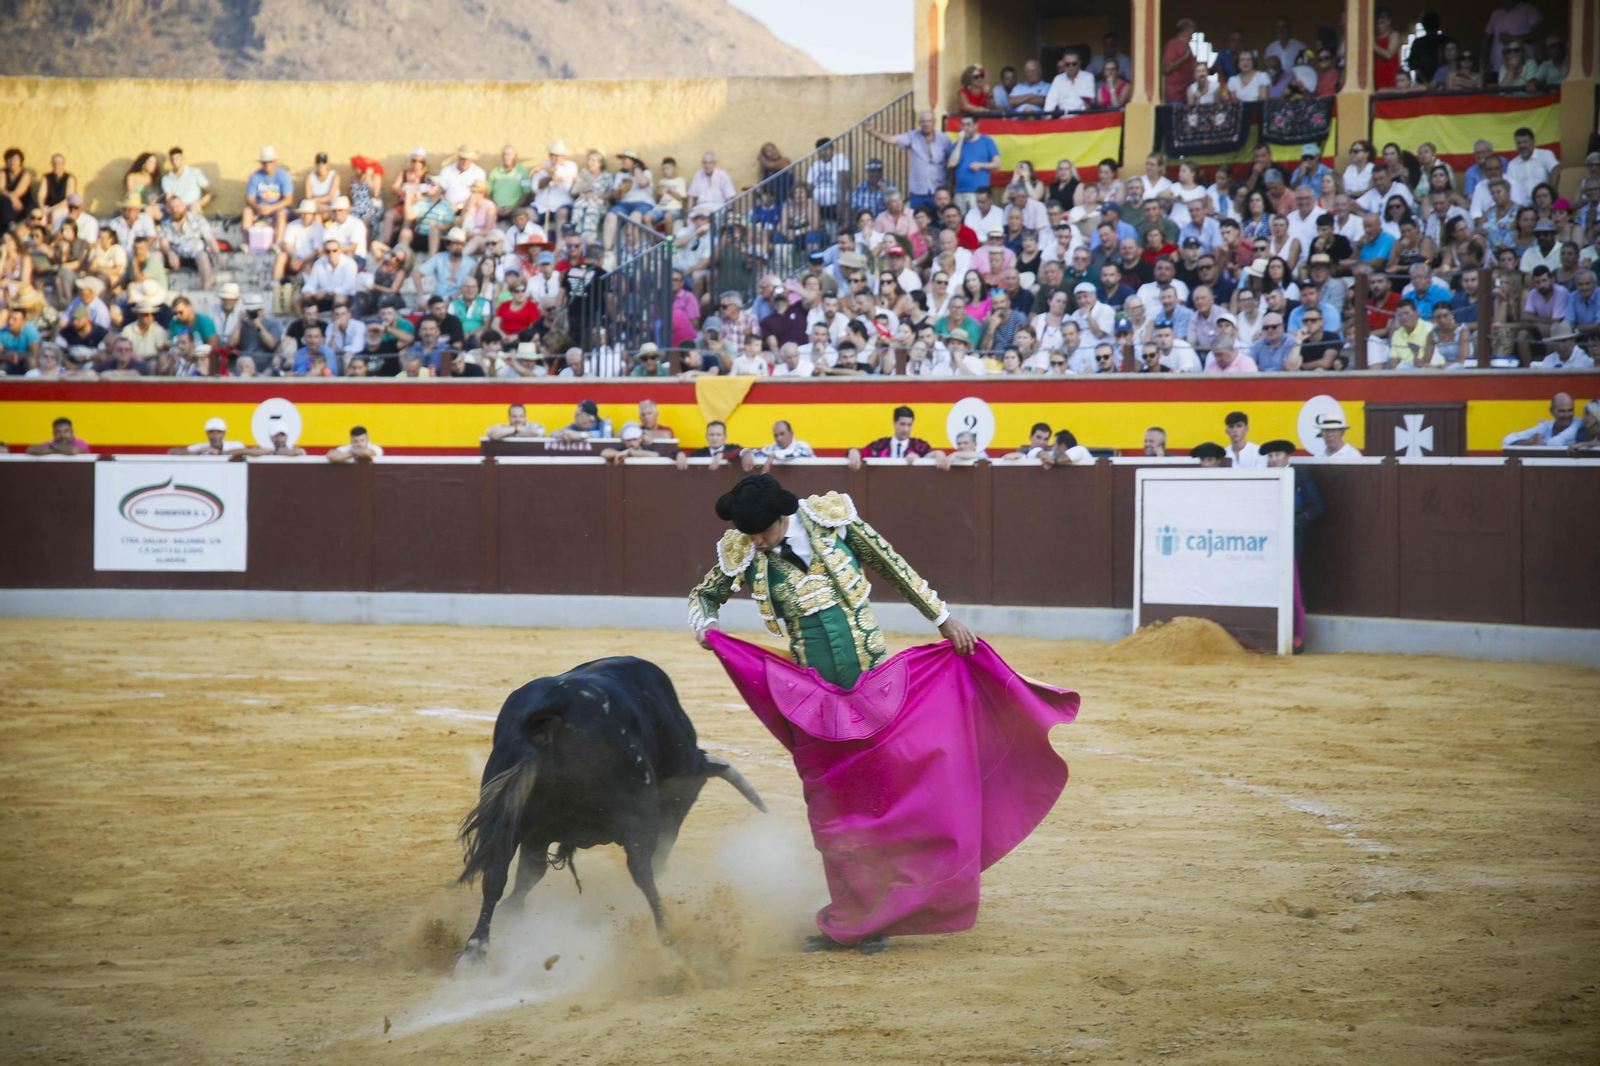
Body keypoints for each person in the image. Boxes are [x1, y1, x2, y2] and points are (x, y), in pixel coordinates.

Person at [688, 474, 1076, 955]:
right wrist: (706, 625)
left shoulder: (833, 522)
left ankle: (890, 908)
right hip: (818, 704)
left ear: (780, 519)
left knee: (889, 801)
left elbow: (894, 567)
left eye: (761, 534)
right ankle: (856, 916)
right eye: (750, 537)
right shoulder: (745, 552)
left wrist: (943, 619)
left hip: (878, 691)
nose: (756, 544)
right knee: (834, 812)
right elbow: (704, 594)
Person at [847, 405, 945, 469]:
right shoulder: (880, 445)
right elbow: (862, 453)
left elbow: (929, 456)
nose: (906, 429)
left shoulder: (921, 446)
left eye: (909, 425)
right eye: (902, 424)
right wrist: (853, 452)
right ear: (894, 423)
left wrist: (937, 454)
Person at [1502, 392, 1579, 448]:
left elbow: (1554, 443)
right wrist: (1528, 442)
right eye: (1562, 411)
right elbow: (1507, 440)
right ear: (1551, 411)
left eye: (1570, 410)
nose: (1567, 415)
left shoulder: (1579, 425)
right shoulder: (1546, 427)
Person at [169, 417, 246, 455]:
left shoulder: (235, 446)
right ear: (207, 434)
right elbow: (172, 451)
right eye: (212, 432)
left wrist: (220, 453)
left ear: (224, 434)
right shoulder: (202, 448)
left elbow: (256, 451)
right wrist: (195, 453)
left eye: (218, 432)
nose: (215, 436)